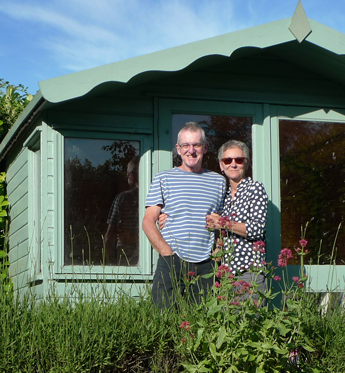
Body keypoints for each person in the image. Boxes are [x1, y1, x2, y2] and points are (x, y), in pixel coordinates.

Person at [142, 122, 225, 308]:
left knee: (204, 322)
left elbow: (220, 223)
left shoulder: (218, 181)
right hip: (173, 259)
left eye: (196, 145)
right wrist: (166, 252)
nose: (191, 150)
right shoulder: (163, 178)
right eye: (185, 145)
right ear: (178, 149)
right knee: (165, 318)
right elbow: (148, 221)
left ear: (205, 148)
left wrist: (217, 256)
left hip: (206, 264)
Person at [205, 140, 269, 295]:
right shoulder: (224, 196)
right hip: (226, 275)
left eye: (238, 160)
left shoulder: (255, 188)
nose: (233, 164)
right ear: (221, 165)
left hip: (248, 272)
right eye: (228, 160)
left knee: (248, 318)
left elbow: (257, 229)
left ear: (246, 163)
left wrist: (222, 223)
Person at [104, 158, 139, 265]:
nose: (127, 177)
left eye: (128, 174)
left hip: (124, 256)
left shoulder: (122, 198)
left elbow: (110, 235)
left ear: (132, 175)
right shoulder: (156, 197)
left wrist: (110, 264)